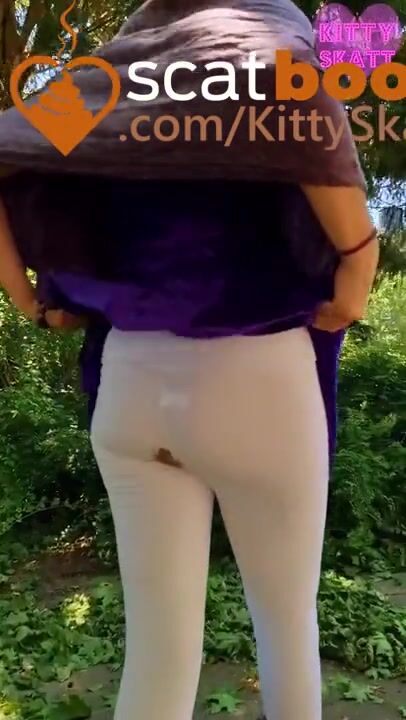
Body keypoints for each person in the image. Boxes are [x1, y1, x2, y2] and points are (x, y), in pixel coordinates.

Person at [0, 1, 379, 719]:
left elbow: (7, 148)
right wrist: (359, 259)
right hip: (258, 382)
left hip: (131, 387)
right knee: (285, 628)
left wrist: (26, 295)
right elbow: (298, 97)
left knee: (156, 654)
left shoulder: (110, 71)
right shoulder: (267, 28)